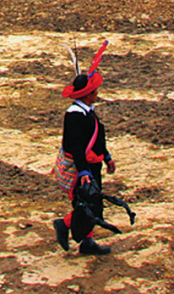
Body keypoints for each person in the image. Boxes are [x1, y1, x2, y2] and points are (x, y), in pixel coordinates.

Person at [53, 40, 116, 255]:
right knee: (88, 204)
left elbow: (98, 136)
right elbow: (76, 145)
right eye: (94, 91)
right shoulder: (74, 116)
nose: (97, 93)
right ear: (87, 94)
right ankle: (64, 225)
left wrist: (106, 156)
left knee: (92, 202)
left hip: (93, 163)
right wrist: (84, 171)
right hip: (82, 167)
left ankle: (87, 242)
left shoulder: (88, 111)